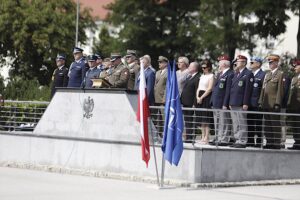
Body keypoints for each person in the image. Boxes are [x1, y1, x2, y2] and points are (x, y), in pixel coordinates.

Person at [259, 54, 284, 149]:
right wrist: (260, 101)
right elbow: (263, 89)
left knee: (275, 124)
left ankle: (276, 143)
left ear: (277, 63)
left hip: (274, 103)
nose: (270, 64)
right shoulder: (267, 74)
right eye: (269, 63)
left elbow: (280, 90)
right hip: (266, 103)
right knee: (267, 124)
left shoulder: (280, 74)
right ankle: (269, 142)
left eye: (272, 62)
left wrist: (277, 103)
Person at [228, 55, 253, 148]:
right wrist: (230, 102)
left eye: (238, 61)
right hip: (233, 102)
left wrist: (245, 103)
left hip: (241, 103)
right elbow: (232, 89)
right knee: (235, 123)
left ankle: (242, 141)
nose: (236, 63)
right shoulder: (236, 73)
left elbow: (248, 90)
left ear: (244, 62)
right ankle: (237, 139)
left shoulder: (248, 73)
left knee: (241, 122)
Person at [210, 55, 234, 146]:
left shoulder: (230, 74)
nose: (218, 64)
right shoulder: (220, 74)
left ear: (224, 63)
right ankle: (217, 137)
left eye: (219, 62)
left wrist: (225, 103)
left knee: (224, 122)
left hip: (222, 102)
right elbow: (215, 88)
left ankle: (224, 139)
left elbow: (228, 90)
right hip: (216, 102)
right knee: (217, 121)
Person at [247, 56, 266, 147]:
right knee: (249, 123)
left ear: (258, 64)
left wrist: (261, 102)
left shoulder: (263, 75)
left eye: (252, 62)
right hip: (249, 103)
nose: (250, 64)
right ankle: (250, 141)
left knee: (258, 124)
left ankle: (259, 142)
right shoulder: (250, 74)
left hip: (257, 103)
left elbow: (264, 90)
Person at [195, 59, 214, 144]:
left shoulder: (211, 76)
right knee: (201, 119)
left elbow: (209, 89)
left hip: (206, 96)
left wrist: (202, 97)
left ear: (209, 67)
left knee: (206, 118)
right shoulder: (202, 76)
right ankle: (202, 136)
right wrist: (197, 97)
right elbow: (198, 87)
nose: (203, 69)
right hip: (200, 96)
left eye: (204, 67)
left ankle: (207, 137)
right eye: (202, 67)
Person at [181, 62, 201, 143]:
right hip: (185, 103)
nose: (188, 67)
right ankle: (188, 136)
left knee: (190, 120)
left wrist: (194, 104)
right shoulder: (189, 77)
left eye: (190, 66)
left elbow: (197, 91)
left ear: (194, 68)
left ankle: (191, 137)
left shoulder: (197, 77)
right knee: (187, 120)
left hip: (191, 103)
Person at [154, 56, 169, 137]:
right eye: (159, 62)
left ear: (165, 63)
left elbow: (167, 87)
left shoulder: (168, 72)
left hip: (163, 100)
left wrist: (165, 98)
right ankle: (159, 135)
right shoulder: (157, 72)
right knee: (158, 119)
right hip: (156, 99)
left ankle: (166, 134)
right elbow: (155, 86)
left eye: (161, 62)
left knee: (164, 118)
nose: (159, 64)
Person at [287, 59, 300, 150]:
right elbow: (291, 93)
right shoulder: (294, 78)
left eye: (296, 66)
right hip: (293, 107)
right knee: (295, 126)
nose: (294, 67)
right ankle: (297, 143)